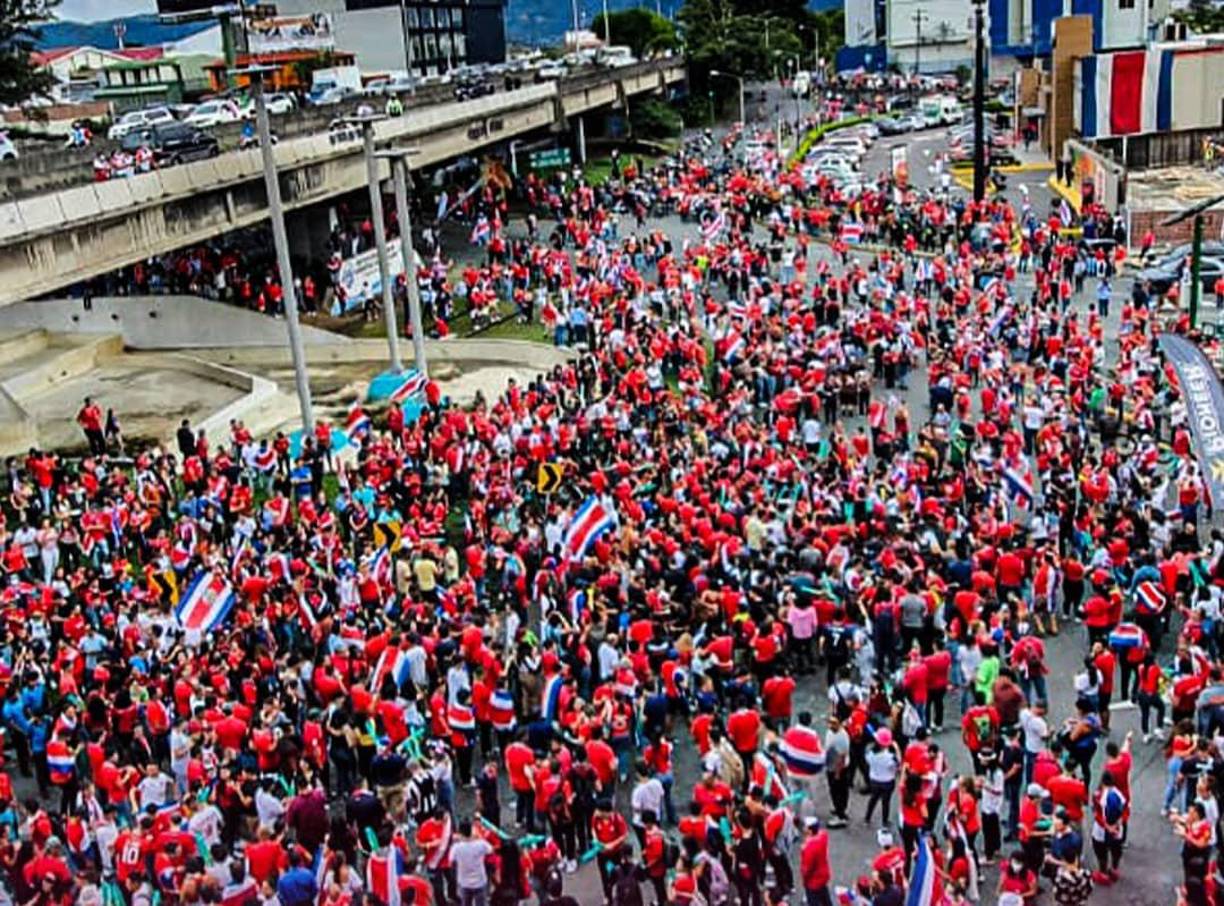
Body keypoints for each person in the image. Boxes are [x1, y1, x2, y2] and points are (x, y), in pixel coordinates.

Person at [451, 819, 495, 906]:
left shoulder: (456, 848)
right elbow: (491, 850)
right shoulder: (481, 844)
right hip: (480, 881)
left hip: (464, 882)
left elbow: (451, 859)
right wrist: (477, 836)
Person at [800, 816, 832, 906]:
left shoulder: (809, 847)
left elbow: (807, 868)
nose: (803, 828)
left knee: (813, 901)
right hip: (823, 874)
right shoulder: (823, 836)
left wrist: (804, 880)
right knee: (824, 897)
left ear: (810, 831)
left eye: (805, 827)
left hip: (813, 880)